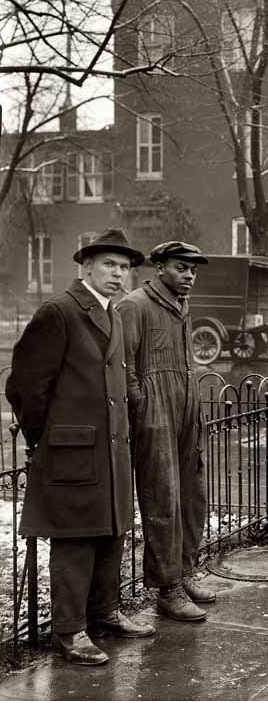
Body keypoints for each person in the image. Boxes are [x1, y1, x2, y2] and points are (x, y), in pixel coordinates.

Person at [4, 229, 155, 666]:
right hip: (71, 449)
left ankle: (104, 613)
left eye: (125, 267)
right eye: (109, 264)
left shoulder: (115, 314)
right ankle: (69, 631)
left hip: (109, 449)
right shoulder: (60, 312)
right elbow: (26, 387)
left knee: (110, 530)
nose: (118, 274)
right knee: (74, 539)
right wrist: (46, 438)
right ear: (86, 266)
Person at [117, 240, 215, 623]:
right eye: (180, 267)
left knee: (193, 496)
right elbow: (124, 368)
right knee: (163, 500)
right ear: (158, 268)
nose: (189, 275)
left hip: (186, 407)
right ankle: (167, 588)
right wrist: (142, 407)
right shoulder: (135, 306)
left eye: (193, 269)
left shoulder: (181, 304)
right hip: (155, 412)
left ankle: (186, 571)